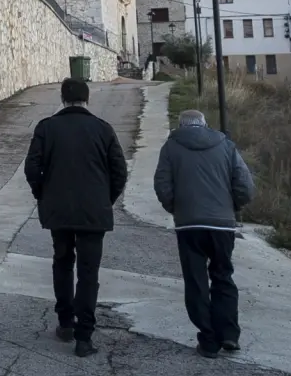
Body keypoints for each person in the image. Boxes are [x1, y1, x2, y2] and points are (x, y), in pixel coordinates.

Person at [24, 77, 128, 358]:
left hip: (58, 210)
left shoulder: (47, 128)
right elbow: (119, 171)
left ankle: (65, 322)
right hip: (93, 211)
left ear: (62, 99)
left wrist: (41, 193)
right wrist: (106, 199)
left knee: (62, 263)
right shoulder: (103, 129)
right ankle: (85, 337)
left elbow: (32, 167)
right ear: (87, 99)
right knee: (88, 272)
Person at [153, 108, 255, 358]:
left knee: (196, 281)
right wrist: (234, 207)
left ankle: (209, 340)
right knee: (223, 276)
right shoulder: (226, 145)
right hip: (222, 224)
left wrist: (175, 207)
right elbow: (244, 185)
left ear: (180, 125)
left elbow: (162, 185)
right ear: (204, 124)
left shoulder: (170, 147)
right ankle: (229, 334)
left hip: (189, 225)